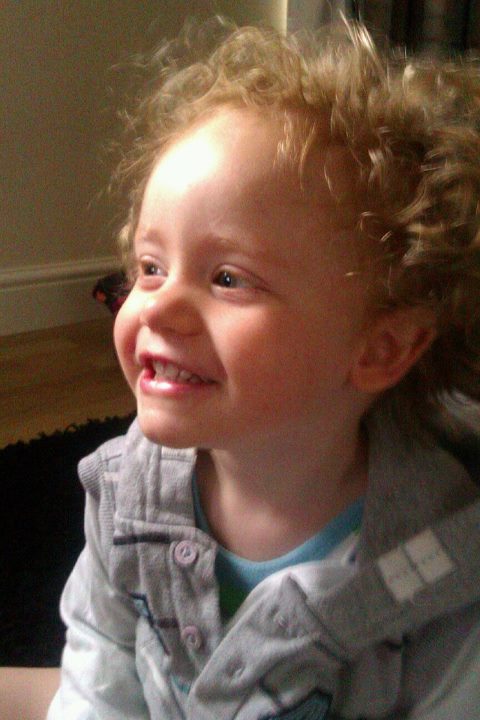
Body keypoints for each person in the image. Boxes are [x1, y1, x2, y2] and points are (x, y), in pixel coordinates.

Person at [47, 18, 480, 720]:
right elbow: (101, 649)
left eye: (227, 278)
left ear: (379, 350)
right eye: (150, 267)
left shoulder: (443, 567)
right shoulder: (126, 492)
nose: (158, 307)